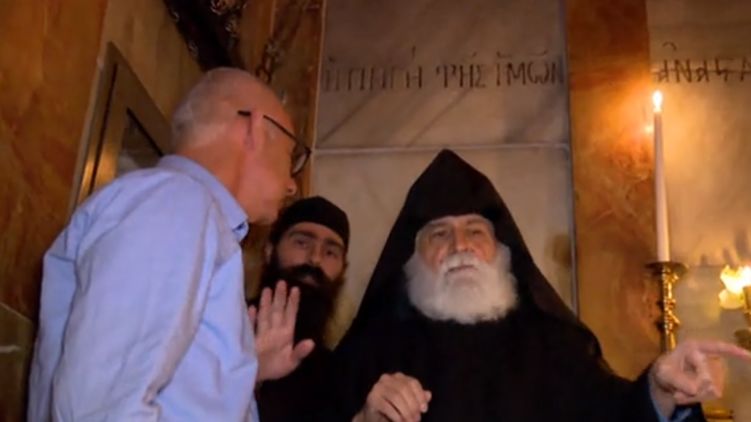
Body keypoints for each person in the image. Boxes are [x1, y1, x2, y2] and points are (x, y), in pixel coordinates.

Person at [330, 150, 751, 422]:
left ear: (504, 253)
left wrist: (661, 391)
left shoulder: (553, 345)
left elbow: (615, 416)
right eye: (439, 234)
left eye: (476, 231)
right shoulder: (368, 352)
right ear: (410, 261)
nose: (460, 246)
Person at [28, 67, 314, 421]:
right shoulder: (176, 202)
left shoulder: (186, 214)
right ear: (254, 128)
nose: (292, 184)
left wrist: (240, 376)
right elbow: (100, 408)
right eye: (290, 155)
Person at [249, 195, 350, 421]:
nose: (315, 259)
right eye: (302, 243)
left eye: (330, 252)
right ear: (270, 250)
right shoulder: (224, 323)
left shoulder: (336, 373)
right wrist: (249, 377)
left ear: (342, 270)